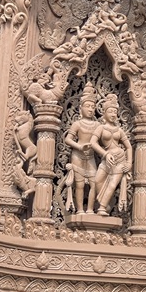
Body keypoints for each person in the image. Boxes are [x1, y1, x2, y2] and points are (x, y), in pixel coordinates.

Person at [90, 94, 132, 216]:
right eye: (110, 112)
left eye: (115, 112)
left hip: (120, 159)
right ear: (104, 113)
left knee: (113, 184)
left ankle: (102, 208)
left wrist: (129, 162)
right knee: (97, 181)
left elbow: (128, 147)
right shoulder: (101, 128)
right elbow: (93, 143)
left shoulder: (119, 130)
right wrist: (105, 154)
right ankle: (105, 203)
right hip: (107, 159)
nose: (113, 114)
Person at [64, 83, 99, 213]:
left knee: (94, 183)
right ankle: (80, 210)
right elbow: (68, 139)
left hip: (90, 157)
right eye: (87, 106)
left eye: (93, 107)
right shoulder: (77, 124)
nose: (90, 109)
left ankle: (90, 209)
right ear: (81, 108)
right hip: (78, 156)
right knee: (79, 185)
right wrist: (79, 146)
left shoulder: (97, 125)